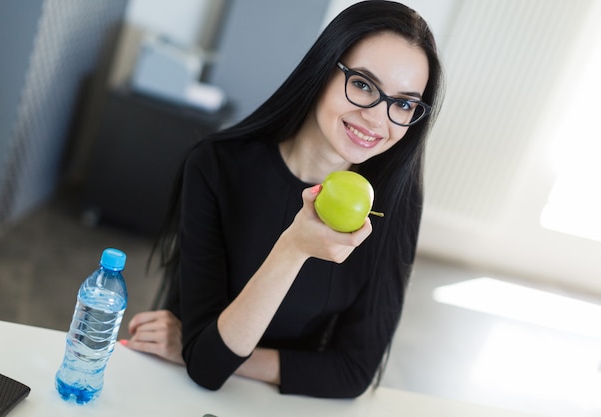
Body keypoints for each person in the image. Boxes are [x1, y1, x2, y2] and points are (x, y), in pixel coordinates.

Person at [120, 0, 444, 399]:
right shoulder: (218, 166)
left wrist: (210, 350)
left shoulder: (396, 200)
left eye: (404, 103)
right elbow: (206, 369)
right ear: (324, 68)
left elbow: (353, 372)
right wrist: (292, 248)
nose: (378, 120)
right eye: (362, 84)